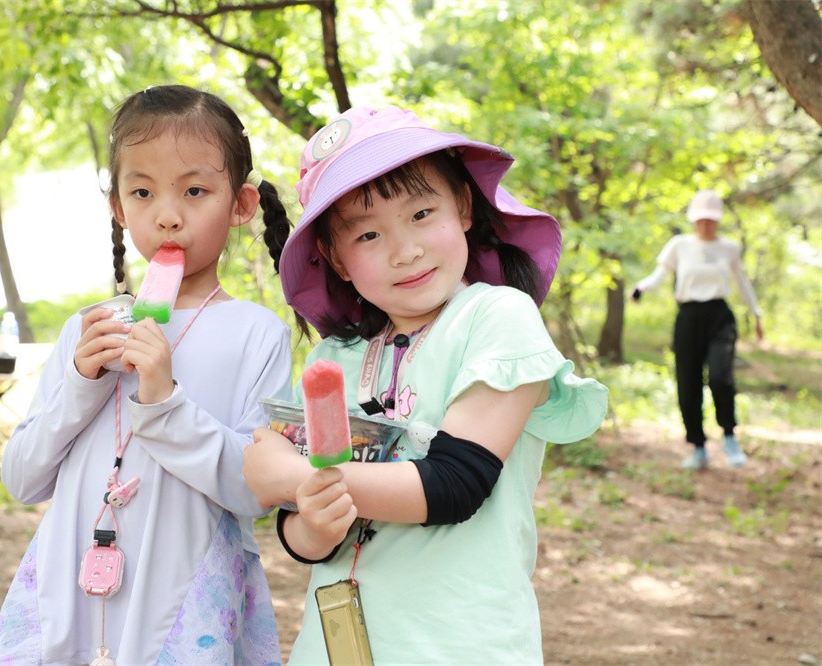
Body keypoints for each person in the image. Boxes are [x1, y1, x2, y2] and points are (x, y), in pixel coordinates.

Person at [242, 106, 609, 664]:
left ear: (462, 206)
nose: (405, 250)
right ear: (336, 260)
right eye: (368, 234)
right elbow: (303, 536)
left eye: (420, 213)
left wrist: (294, 478)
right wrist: (311, 520)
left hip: (461, 647)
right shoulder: (331, 358)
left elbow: (455, 484)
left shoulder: (495, 319)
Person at [0, 85, 295, 665]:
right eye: (143, 192)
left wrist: (164, 402)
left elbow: (257, 492)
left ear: (241, 204)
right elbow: (22, 479)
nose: (168, 215)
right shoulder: (88, 329)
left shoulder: (256, 334)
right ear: (120, 209)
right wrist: (81, 384)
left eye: (195, 191)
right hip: (67, 595)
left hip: (180, 606)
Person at [631, 189, 763, 469]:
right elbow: (659, 275)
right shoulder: (680, 245)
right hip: (689, 318)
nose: (705, 225)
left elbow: (742, 283)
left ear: (718, 220)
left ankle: (729, 435)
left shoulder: (729, 248)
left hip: (720, 317)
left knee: (720, 376)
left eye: (710, 220)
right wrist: (641, 288)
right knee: (688, 382)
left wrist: (757, 314)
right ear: (693, 220)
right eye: (701, 220)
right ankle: (699, 447)